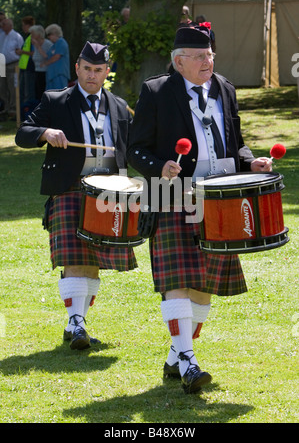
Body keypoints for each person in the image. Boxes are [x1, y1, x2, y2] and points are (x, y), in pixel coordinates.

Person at [127, 25, 272, 394]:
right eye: (200, 56)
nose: (208, 61)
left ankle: (177, 354)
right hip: (171, 194)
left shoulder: (224, 87)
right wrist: (159, 165)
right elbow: (135, 149)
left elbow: (235, 142)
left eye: (210, 55)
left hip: (217, 196)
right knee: (178, 280)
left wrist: (249, 162)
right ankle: (190, 361)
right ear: (179, 62)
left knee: (204, 283)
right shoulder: (156, 91)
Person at [15, 41, 137, 350]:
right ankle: (77, 323)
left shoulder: (120, 107)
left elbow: (135, 147)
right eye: (87, 69)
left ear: (107, 72)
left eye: (98, 70)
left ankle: (76, 323)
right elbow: (22, 133)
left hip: (110, 192)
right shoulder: (55, 101)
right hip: (71, 187)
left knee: (93, 260)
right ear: (77, 68)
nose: (92, 76)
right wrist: (45, 133)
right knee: (74, 257)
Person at [0, 18, 24, 119]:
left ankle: (13, 109)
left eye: (4, 24)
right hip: (1, 64)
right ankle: (5, 107)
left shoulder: (16, 36)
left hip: (13, 64)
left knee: (12, 86)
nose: (2, 26)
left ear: (10, 25)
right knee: (2, 87)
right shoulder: (1, 35)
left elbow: (20, 50)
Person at [15, 16, 36, 118]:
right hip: (24, 68)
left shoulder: (33, 37)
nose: (23, 27)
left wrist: (22, 51)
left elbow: (34, 53)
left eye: (24, 25)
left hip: (29, 68)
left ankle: (28, 114)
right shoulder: (27, 37)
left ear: (29, 25)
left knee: (28, 93)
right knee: (22, 92)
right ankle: (22, 113)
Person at [41, 23, 70, 90]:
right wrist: (38, 46)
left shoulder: (61, 42)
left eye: (49, 34)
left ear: (54, 33)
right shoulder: (54, 45)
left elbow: (56, 57)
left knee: (60, 95)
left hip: (59, 74)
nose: (48, 37)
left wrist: (45, 63)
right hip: (51, 75)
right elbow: (46, 56)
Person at [29, 25, 52, 100]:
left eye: (32, 34)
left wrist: (38, 46)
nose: (31, 36)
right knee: (36, 92)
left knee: (42, 91)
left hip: (44, 72)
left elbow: (47, 56)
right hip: (36, 70)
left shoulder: (47, 44)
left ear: (38, 35)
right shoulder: (35, 44)